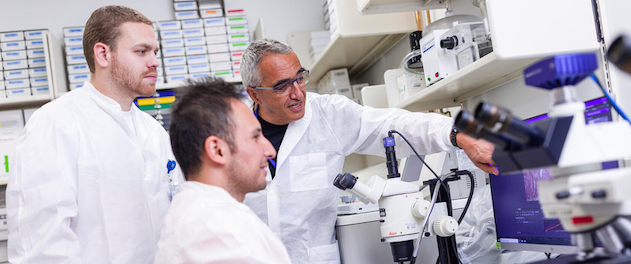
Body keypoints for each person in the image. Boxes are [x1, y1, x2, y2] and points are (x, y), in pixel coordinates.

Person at [241, 38, 498, 263]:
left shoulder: (328, 114)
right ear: (255, 94)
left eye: (300, 78)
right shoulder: (229, 128)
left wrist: (458, 135)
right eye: (282, 86)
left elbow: (394, 126)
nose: (297, 93)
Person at [6, 5, 182, 263]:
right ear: (103, 54)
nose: (155, 61)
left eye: (155, 52)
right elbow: (41, 242)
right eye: (141, 51)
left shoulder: (152, 130)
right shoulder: (56, 122)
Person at [154, 77, 291, 264]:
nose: (270, 151)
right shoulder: (215, 231)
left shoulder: (210, 215)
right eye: (255, 137)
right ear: (217, 150)